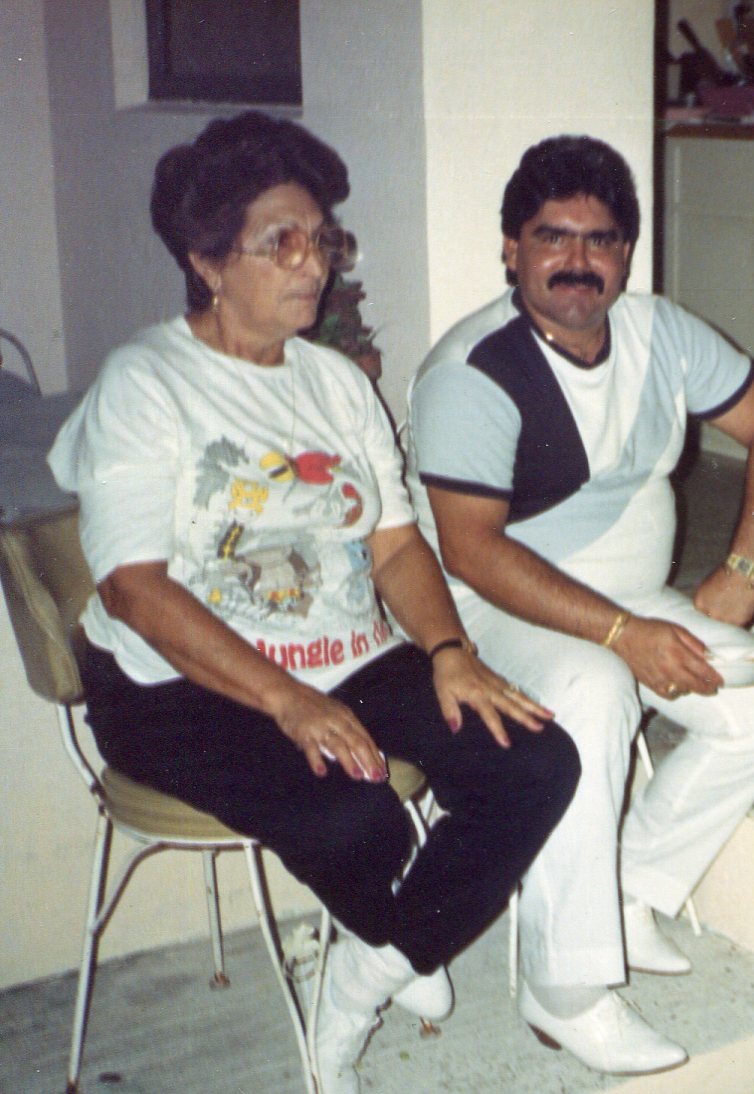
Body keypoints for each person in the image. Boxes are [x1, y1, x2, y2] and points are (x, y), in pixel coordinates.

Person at [46, 113, 580, 1093]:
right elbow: (133, 586)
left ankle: (376, 964)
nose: (313, 264)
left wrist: (448, 651)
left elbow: (394, 544)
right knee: (355, 821)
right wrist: (288, 701)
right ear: (207, 262)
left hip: (346, 654)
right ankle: (395, 937)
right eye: (280, 242)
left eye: (322, 239)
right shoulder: (145, 383)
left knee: (534, 760)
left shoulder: (335, 382)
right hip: (175, 684)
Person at [403, 134, 754, 1075]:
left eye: (600, 240)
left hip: (626, 597)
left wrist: (744, 569)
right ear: (511, 248)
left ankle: (630, 888)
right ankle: (564, 990)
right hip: (488, 610)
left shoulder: (659, 332)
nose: (578, 261)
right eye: (552, 237)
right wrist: (624, 635)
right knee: (593, 690)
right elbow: (471, 550)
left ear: (626, 253)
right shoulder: (474, 369)